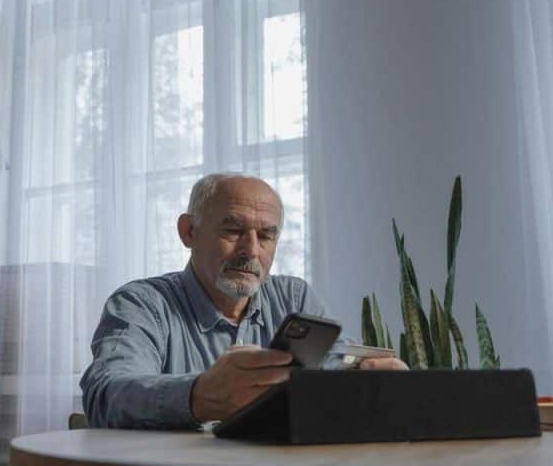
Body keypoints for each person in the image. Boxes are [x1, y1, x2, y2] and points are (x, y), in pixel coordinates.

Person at [80, 173, 406, 429]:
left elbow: (336, 366)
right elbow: (106, 394)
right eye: (233, 230)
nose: (251, 251)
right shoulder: (141, 304)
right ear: (189, 232)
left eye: (266, 236)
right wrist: (200, 395)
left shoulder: (294, 296)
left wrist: (369, 381)